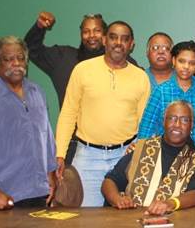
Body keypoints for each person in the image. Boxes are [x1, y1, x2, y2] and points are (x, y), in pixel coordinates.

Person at [55, 21, 151, 206]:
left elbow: (144, 123)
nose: (118, 43)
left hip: (125, 158)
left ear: (131, 45)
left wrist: (138, 148)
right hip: (87, 157)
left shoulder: (141, 77)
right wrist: (59, 154)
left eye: (125, 39)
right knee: (86, 219)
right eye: (113, 37)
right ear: (104, 40)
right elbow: (68, 113)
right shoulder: (82, 70)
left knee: (126, 218)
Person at [24, 12, 137, 165]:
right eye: (86, 31)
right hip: (74, 146)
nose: (91, 35)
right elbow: (30, 49)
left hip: (118, 149)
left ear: (105, 36)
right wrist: (39, 28)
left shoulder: (126, 63)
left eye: (97, 31)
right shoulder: (63, 58)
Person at [0, 36, 57, 209]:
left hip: (38, 192)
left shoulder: (37, 92)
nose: (16, 63)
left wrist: (50, 174)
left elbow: (46, 138)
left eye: (20, 58)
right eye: (8, 59)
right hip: (4, 197)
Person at [102, 101, 195, 215]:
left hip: (173, 221)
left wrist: (170, 204)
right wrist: (117, 199)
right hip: (131, 219)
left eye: (184, 120)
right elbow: (109, 181)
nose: (177, 124)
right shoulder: (142, 148)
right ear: (163, 122)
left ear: (191, 126)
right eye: (172, 118)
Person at [137, 41, 195, 145]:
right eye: (182, 61)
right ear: (174, 61)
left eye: (192, 63)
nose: (186, 66)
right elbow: (145, 131)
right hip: (164, 157)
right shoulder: (160, 92)